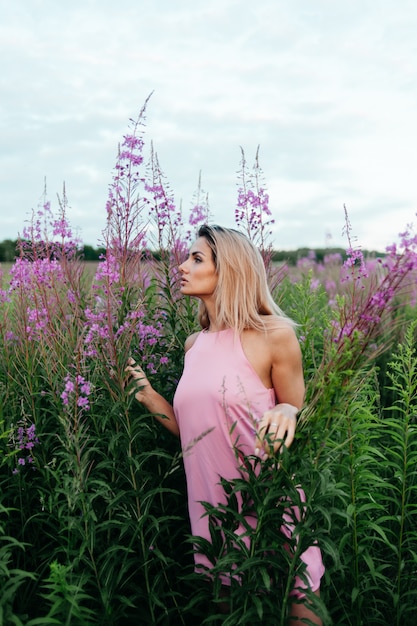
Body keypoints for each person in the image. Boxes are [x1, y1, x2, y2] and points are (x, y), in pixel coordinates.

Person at [126, 224, 324, 624]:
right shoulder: (193, 344)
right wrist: (148, 396)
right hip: (213, 508)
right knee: (228, 613)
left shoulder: (275, 336)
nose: (182, 266)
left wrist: (288, 410)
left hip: (269, 497)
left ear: (228, 270)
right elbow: (195, 431)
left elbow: (299, 414)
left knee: (299, 607)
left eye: (196, 258)